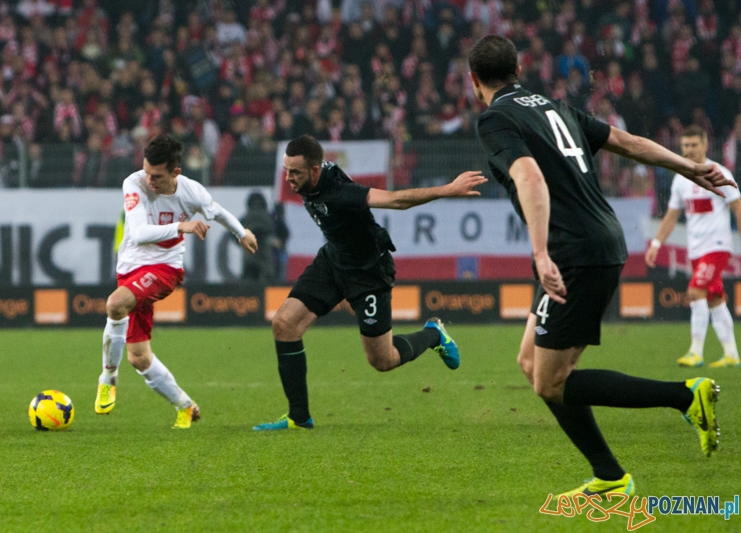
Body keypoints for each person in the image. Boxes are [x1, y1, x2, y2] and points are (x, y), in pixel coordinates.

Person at [469, 35, 730, 498]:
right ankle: (610, 476)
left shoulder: (496, 118)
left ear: (474, 82)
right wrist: (687, 167)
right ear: (518, 68)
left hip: (574, 252)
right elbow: (626, 142)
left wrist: (540, 253)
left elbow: (528, 177)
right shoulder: (553, 106)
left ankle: (684, 398)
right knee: (532, 364)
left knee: (551, 381)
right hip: (598, 239)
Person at [253, 134, 486, 431]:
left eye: (295, 172)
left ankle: (433, 334)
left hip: (368, 271)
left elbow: (396, 200)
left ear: (314, 170)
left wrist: (448, 189)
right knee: (284, 324)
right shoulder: (309, 170)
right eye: (286, 170)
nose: (288, 178)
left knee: (382, 359)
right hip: (334, 260)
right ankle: (299, 417)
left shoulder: (340, 192)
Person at [95, 135, 258, 428]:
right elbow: (141, 232)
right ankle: (186, 406)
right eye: (146, 172)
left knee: (115, 304)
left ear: (175, 173)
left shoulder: (191, 192)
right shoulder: (133, 183)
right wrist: (182, 226)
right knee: (139, 357)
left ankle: (107, 378)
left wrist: (241, 232)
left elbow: (217, 211)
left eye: (157, 176)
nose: (149, 180)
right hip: (130, 270)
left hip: (164, 269)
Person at [646, 125, 741, 369]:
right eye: (685, 145)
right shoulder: (680, 179)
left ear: (705, 144)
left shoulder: (719, 172)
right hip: (696, 248)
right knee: (714, 298)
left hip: (717, 245)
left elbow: (738, 208)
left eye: (694, 145)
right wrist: (656, 243)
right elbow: (671, 215)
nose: (689, 149)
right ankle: (731, 354)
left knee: (695, 292)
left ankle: (695, 352)